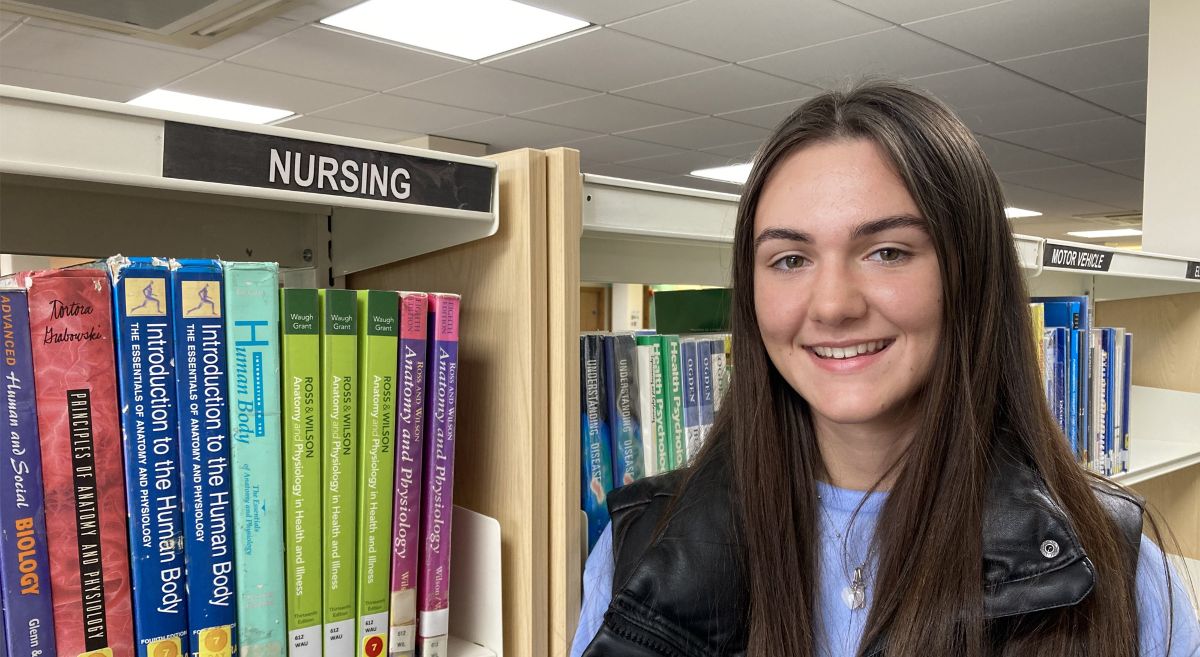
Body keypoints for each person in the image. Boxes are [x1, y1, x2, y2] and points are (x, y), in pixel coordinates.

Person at [571, 81, 1200, 657]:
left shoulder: (1119, 575)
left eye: (887, 251)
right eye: (790, 259)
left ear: (968, 276)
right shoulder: (637, 556)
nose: (834, 305)